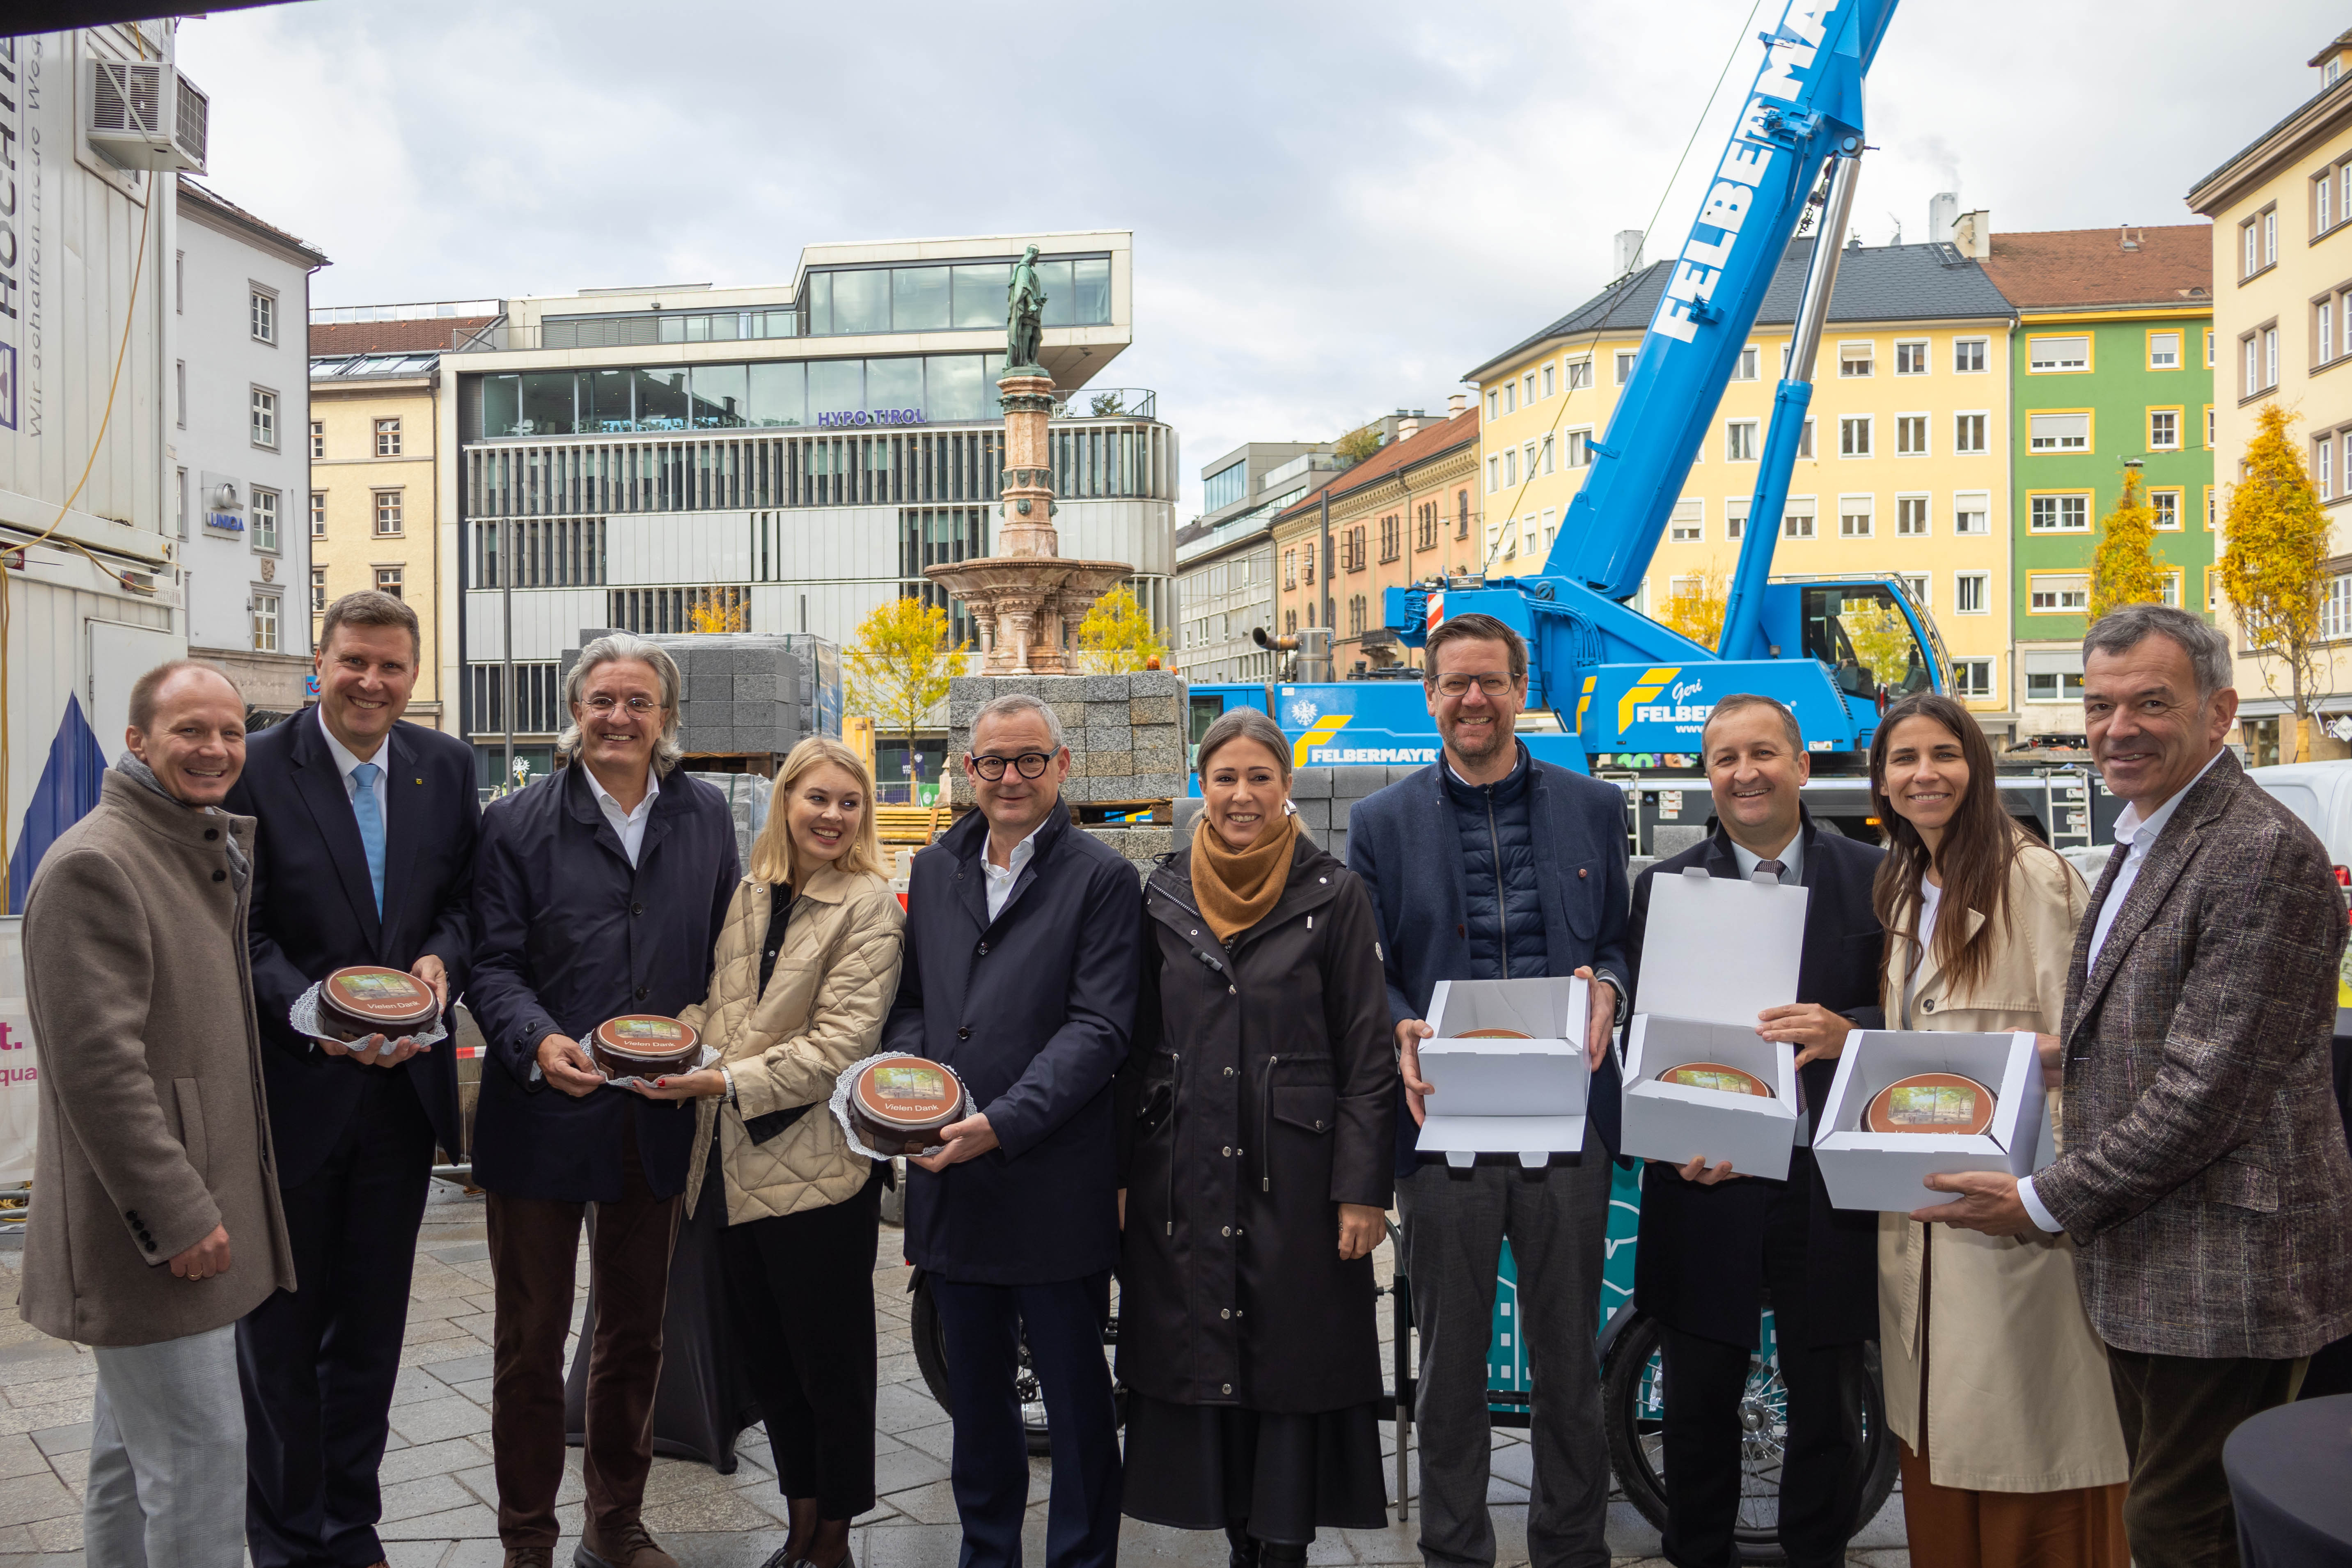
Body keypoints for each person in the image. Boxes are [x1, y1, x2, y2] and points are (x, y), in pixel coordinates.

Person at [1919, 604, 2352, 1568]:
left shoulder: (2259, 851)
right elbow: (2164, 1021)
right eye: (2101, 703)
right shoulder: (2153, 830)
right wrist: (2059, 1054)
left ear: (2219, 710)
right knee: (2173, 1516)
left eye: (2151, 702)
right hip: (2155, 1258)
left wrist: (2038, 1198)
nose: (2118, 728)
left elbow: (2209, 1089)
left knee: (2176, 1525)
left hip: (2226, 1266)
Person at [1346, 612, 1628, 1568]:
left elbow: (1621, 939)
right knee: (1451, 1367)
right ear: (1429, 696)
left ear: (1520, 689)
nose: (1474, 698)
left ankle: (1569, 1548)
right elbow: (1366, 965)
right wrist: (1396, 1020)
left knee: (1569, 1365)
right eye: (1455, 683)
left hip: (1568, 1123)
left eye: (1492, 681)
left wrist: (1613, 991)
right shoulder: (1381, 823)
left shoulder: (1592, 806)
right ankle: (1455, 1549)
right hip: (1444, 1124)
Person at [468, 634, 742, 1568]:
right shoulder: (514, 822)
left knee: (635, 1335)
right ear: (574, 711)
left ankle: (615, 1523)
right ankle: (527, 1538)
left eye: (638, 700)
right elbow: (492, 962)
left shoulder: (706, 816)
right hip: (540, 1113)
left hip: (652, 1117)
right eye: (601, 699)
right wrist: (535, 1039)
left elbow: (723, 959)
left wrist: (706, 1035)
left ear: (666, 717)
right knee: (530, 1342)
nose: (618, 716)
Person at [18, 661, 297, 1568]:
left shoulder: (181, 842)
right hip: (158, 1232)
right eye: (189, 730)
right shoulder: (100, 862)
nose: (215, 748)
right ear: (137, 741)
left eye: (228, 730)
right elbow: (98, 1069)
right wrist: (176, 1210)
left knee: (127, 1462)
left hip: (180, 1221)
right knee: (200, 1465)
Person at [227, 591, 481, 1568]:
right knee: (282, 1337)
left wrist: (441, 963)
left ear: (414, 677)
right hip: (295, 1091)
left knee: (372, 1331)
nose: (372, 683)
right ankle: (286, 1537)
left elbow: (461, 902)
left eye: (391, 667)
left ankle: (352, 1524)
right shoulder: (253, 768)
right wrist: (312, 1015)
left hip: (402, 1098)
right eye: (354, 663)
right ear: (318, 663)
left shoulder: (446, 767)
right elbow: (238, 931)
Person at [1117, 708, 1397, 1565]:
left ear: (1286, 788)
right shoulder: (1160, 891)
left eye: (1260, 777)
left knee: (1288, 1370)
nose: (1242, 795)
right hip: (1186, 1174)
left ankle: (1278, 1553)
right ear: (1203, 785)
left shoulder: (1335, 893)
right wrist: (1124, 1174)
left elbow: (1368, 1050)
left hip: (1300, 1185)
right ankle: (1242, 1544)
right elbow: (1132, 1048)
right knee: (1208, 1365)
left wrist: (1361, 1188)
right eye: (1226, 777)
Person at [1863, 692, 2126, 1568]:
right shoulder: (1907, 884)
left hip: (2019, 1227)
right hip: (1926, 1221)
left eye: (1944, 753)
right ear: (1883, 782)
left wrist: (2051, 1195)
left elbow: (2085, 1055)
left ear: (1977, 767)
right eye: (1904, 759)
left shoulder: (2034, 878)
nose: (1924, 773)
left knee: (2031, 1457)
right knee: (1945, 1456)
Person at [883, 691, 1143, 1568]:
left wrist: (1000, 1121)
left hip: (1050, 1181)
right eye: (994, 760)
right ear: (969, 770)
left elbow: (1100, 1029)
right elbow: (912, 1003)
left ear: (1063, 767)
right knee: (977, 1405)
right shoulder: (934, 869)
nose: (1012, 777)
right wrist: (916, 1092)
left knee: (1076, 1405)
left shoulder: (1102, 878)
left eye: (1031, 759)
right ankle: (985, 1551)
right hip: (951, 1178)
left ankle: (1081, 1557)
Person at [633, 736, 906, 1568]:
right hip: (728, 1167)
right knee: (773, 1366)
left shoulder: (870, 904)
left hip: (817, 1171)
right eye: (816, 797)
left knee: (833, 1369)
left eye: (848, 801)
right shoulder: (752, 890)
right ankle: (799, 1521)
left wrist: (715, 1083)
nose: (831, 814)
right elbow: (723, 1007)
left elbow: (838, 1048)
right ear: (786, 800)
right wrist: (660, 1042)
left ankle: (834, 1539)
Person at [1623, 693, 1882, 1568]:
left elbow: (1915, 1015)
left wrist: (1851, 1030)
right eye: (1725, 757)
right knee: (1695, 1406)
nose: (1744, 773)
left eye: (1763, 752)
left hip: (1825, 1185)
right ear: (1708, 773)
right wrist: (1666, 1135)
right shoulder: (1664, 887)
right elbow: (1643, 1037)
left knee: (1828, 1404)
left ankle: (1818, 1556)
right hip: (1706, 1178)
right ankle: (1698, 1554)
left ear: (1804, 764)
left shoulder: (1874, 875)